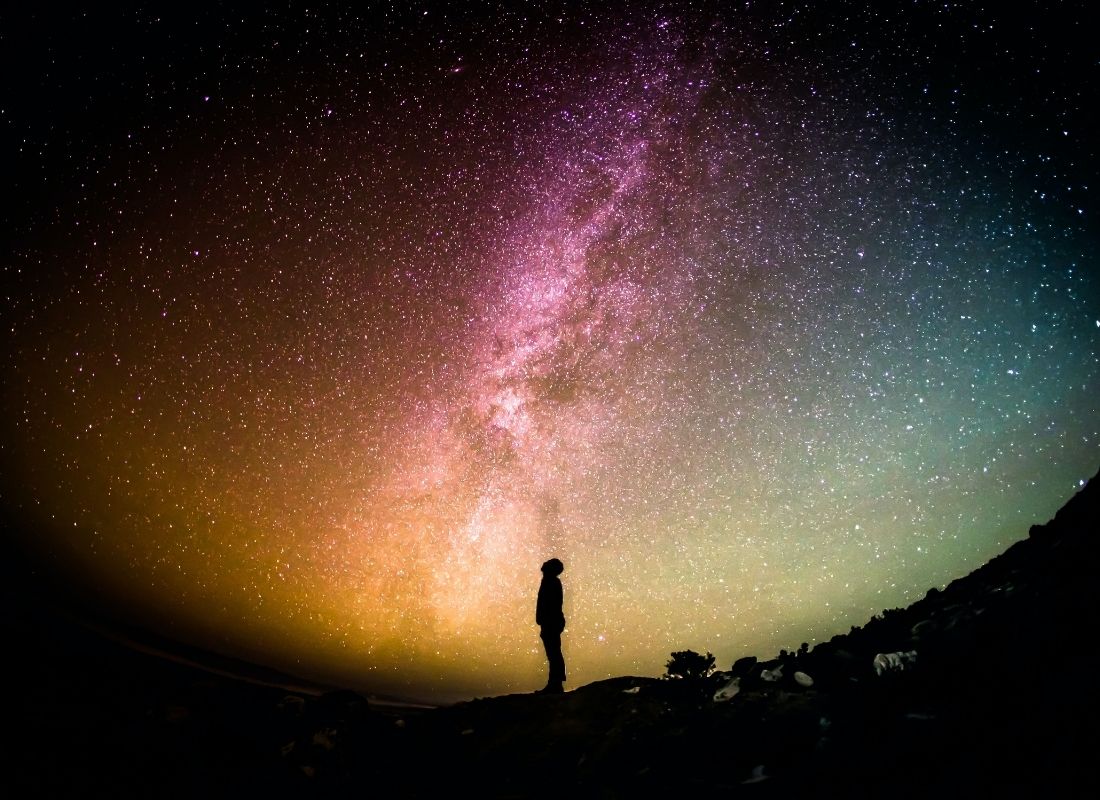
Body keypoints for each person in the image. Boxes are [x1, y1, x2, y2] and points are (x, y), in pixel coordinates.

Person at [536, 558, 566, 694]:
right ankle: (554, 683)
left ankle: (556, 684)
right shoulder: (549, 581)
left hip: (551, 622)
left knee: (554, 653)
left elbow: (551, 604)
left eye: (547, 564)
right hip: (550, 621)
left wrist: (545, 620)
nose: (543, 564)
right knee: (553, 652)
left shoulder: (551, 582)